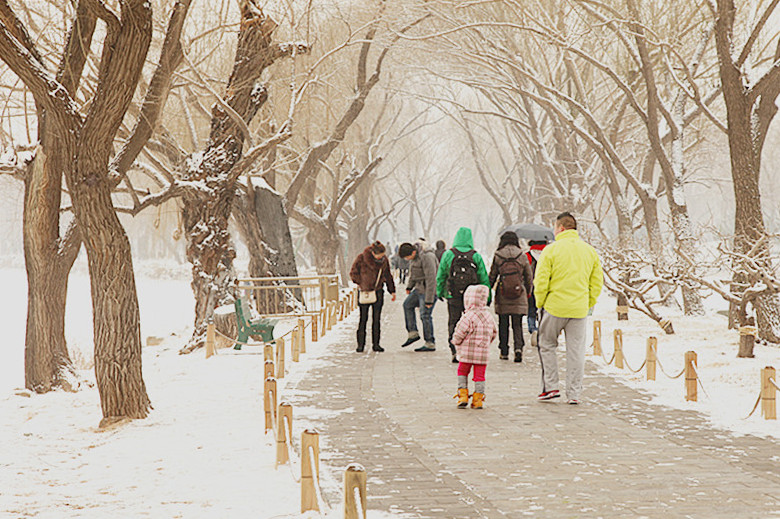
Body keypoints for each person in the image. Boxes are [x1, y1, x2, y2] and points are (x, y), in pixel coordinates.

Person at [534, 212, 603, 404]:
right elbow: (597, 282)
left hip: (554, 307)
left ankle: (551, 387)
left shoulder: (551, 250)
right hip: (579, 309)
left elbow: (541, 281)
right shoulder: (589, 251)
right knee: (576, 351)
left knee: (547, 344)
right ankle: (574, 393)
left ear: (561, 228)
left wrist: (540, 302)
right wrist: (588, 302)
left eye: (555, 227)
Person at [436, 227, 491, 363]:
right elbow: (483, 277)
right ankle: (468, 350)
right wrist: (488, 297)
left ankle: (454, 349)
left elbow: (441, 275)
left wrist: (440, 291)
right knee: (471, 324)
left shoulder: (448, 254)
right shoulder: (476, 256)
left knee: (453, 322)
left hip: (453, 294)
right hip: (472, 297)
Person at [489, 231, 533, 362]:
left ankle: (504, 351)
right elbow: (528, 276)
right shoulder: (522, 255)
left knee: (503, 323)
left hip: (503, 293)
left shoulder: (498, 255)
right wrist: (527, 291)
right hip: (519, 293)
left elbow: (492, 275)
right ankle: (518, 348)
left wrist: (488, 290)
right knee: (517, 324)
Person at [452, 284, 497, 409]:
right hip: (482, 353)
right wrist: (487, 342)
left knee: (462, 371)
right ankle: (478, 399)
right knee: (479, 375)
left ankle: (463, 395)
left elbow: (460, 331)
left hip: (466, 352)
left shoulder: (468, 316)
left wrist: (456, 341)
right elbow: (494, 332)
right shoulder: (488, 316)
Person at [349, 241, 396, 353]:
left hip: (378, 292)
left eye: (383, 254)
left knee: (376, 319)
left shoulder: (384, 261)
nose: (381, 256)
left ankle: (376, 344)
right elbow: (353, 273)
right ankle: (360, 345)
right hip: (364, 292)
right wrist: (362, 283)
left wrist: (392, 290)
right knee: (363, 319)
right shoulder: (361, 258)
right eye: (379, 255)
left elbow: (388, 275)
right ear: (373, 253)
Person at [398, 240, 438, 351]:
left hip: (429, 290)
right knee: (407, 305)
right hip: (419, 289)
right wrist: (409, 287)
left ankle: (430, 342)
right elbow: (413, 274)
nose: (406, 260)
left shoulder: (427, 257)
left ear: (413, 253)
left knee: (425, 315)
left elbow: (431, 279)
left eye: (406, 257)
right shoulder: (414, 259)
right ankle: (413, 333)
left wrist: (429, 300)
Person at [526, 239, 548, 347]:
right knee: (543, 310)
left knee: (531, 310)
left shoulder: (528, 255)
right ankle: (542, 331)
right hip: (545, 287)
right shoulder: (548, 254)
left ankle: (533, 329)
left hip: (531, 287)